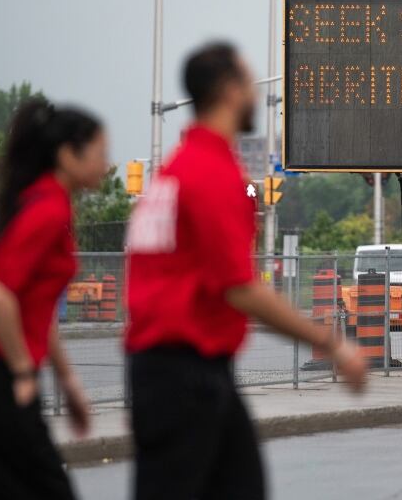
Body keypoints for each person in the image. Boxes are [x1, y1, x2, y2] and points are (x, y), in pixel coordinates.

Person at [125, 42, 367, 500]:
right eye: (249, 82)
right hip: (184, 375)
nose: (256, 94)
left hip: (170, 369)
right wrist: (332, 343)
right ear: (230, 90)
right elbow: (240, 288)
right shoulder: (213, 174)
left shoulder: (172, 174)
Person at [0, 100, 109, 500]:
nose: (107, 165)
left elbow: (34, 304)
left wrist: (67, 380)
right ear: (68, 155)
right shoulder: (47, 210)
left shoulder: (34, 200)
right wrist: (22, 372)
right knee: (50, 489)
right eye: (101, 153)